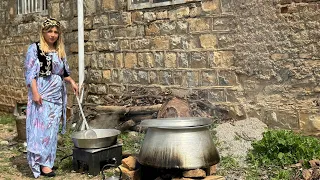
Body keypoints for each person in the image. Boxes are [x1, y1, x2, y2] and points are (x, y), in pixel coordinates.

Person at [24, 18, 78, 178]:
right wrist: (34, 92)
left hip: (56, 97)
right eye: (50, 31)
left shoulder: (59, 50)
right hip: (41, 94)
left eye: (56, 32)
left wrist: (73, 82)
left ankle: (47, 164)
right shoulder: (35, 49)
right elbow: (30, 73)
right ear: (43, 32)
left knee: (52, 130)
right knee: (40, 128)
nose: (53, 35)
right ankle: (38, 161)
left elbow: (64, 73)